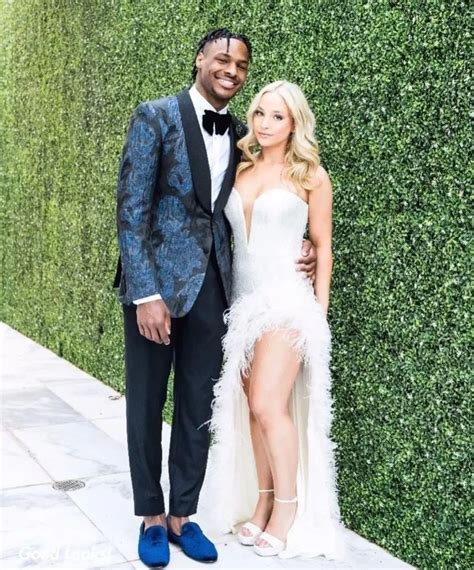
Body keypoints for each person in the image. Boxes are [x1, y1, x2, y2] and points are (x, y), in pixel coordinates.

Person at [114, 30, 317, 567]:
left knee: (198, 406)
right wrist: (145, 293)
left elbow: (265, 205)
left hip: (215, 291)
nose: (232, 70)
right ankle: (151, 517)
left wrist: (303, 251)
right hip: (156, 291)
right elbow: (131, 211)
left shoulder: (242, 137)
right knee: (146, 402)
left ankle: (183, 515)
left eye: (241, 65)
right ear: (200, 59)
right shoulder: (155, 116)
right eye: (223, 59)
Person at [202, 80, 347, 560]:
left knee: (268, 403)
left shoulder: (311, 176)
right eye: (260, 113)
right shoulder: (239, 168)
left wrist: (318, 315)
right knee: (252, 407)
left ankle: (287, 509)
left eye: (277, 116)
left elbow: (322, 246)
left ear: (294, 123)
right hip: (242, 304)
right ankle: (263, 502)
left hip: (287, 302)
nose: (264, 123)